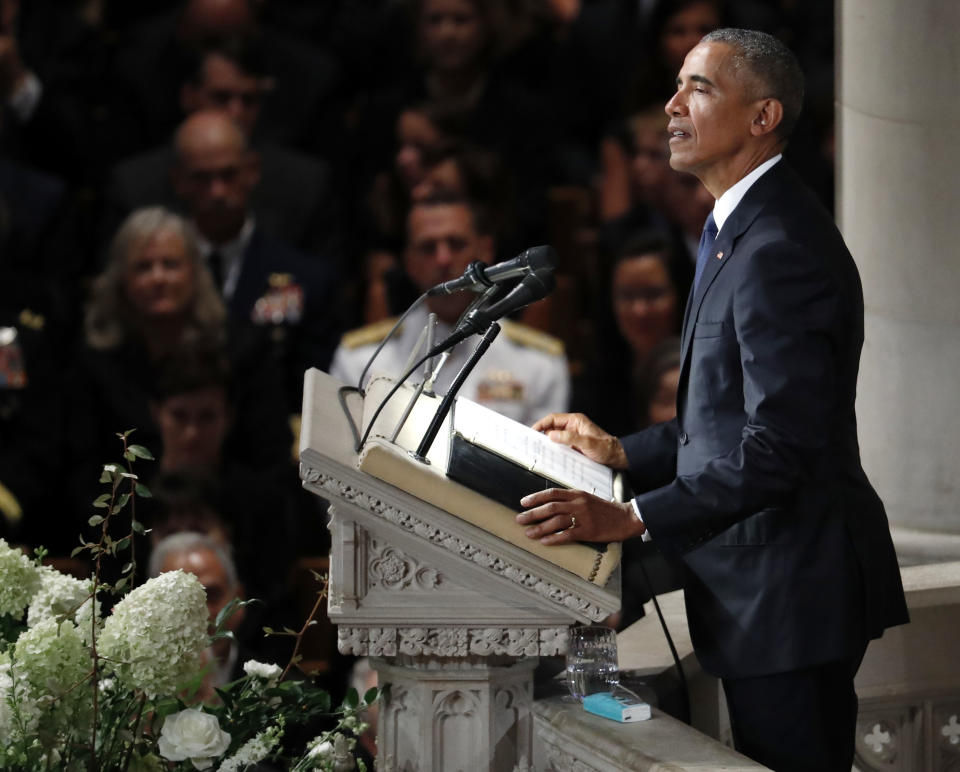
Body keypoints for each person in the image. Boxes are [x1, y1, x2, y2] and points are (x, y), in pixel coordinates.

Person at [518, 29, 908, 771]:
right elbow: (729, 419)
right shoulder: (740, 226)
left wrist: (631, 514)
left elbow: (780, 446)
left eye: (698, 88)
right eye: (676, 84)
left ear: (762, 118)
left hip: (789, 596)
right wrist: (624, 451)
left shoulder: (778, 246)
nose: (671, 105)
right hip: (766, 595)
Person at [329, 192, 569, 426]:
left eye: (456, 244)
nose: (443, 259)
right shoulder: (363, 358)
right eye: (427, 247)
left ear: (485, 250)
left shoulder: (538, 362)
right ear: (409, 262)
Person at [170, 110, 342, 410]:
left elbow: (318, 392)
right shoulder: (156, 276)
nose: (218, 191)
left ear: (252, 171)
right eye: (202, 178)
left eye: (228, 174)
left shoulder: (306, 279)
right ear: (179, 180)